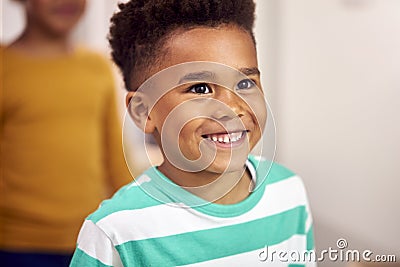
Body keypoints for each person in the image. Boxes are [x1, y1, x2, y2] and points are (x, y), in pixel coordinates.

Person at [70, 0, 316, 266]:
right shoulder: (115, 232)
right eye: (200, 89)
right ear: (144, 112)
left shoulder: (289, 192)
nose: (232, 107)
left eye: (245, 83)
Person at [0, 0, 132, 266]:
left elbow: (115, 157)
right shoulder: (5, 68)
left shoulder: (96, 68)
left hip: (90, 240)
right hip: (15, 244)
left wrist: (138, 217)